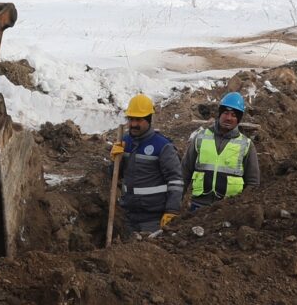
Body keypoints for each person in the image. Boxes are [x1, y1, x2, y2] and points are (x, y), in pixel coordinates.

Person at [111, 93, 183, 236]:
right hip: (128, 215)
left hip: (153, 218)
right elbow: (114, 177)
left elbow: (175, 180)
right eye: (131, 119)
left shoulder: (162, 146)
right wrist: (114, 162)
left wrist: (171, 210)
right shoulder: (125, 142)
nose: (133, 124)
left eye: (138, 119)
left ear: (149, 119)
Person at [185, 91, 266, 206]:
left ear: (239, 119)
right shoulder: (201, 137)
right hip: (198, 205)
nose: (228, 118)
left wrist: (241, 206)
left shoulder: (246, 144)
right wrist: (173, 208)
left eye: (234, 115)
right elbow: (184, 172)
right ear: (220, 114)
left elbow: (253, 183)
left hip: (228, 209)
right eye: (226, 113)